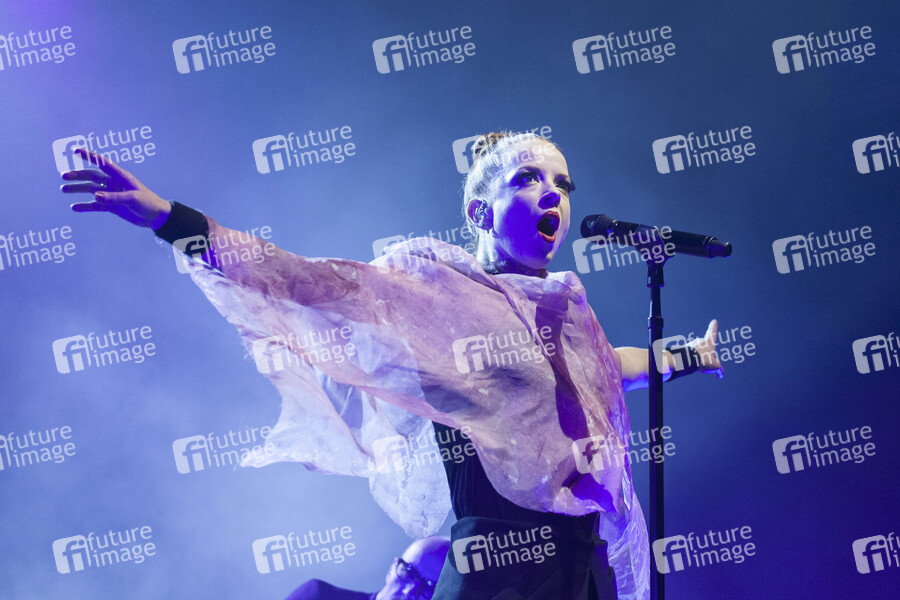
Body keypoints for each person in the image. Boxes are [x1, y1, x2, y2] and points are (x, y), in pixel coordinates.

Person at [61, 133, 722, 600]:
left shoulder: (562, 309)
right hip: (499, 569)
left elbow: (605, 369)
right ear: (480, 212)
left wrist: (689, 356)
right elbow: (305, 281)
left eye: (562, 184)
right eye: (527, 178)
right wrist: (168, 219)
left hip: (586, 569)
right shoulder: (434, 293)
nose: (553, 193)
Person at [285, 536, 450, 600]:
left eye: (427, 588)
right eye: (408, 572)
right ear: (392, 568)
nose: (409, 592)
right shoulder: (319, 596)